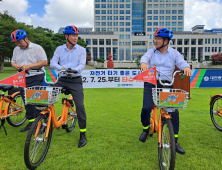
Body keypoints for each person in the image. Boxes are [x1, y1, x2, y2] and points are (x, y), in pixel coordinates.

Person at [139, 27, 192, 155]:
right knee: (146, 108)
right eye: (155, 38)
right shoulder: (151, 52)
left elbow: (181, 62)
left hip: (167, 84)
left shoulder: (174, 53)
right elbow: (144, 58)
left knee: (174, 112)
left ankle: (175, 141)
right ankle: (146, 129)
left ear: (166, 41)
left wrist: (185, 67)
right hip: (151, 83)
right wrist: (143, 64)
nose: (155, 41)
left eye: (158, 39)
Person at [50, 25, 87, 148]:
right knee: (48, 98)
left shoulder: (81, 50)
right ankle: (45, 122)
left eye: (77, 35)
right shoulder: (59, 49)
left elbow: (82, 64)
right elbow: (53, 62)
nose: (75, 38)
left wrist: (74, 70)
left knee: (80, 106)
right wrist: (62, 68)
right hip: (62, 79)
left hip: (76, 80)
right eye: (73, 35)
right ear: (67, 37)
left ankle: (83, 134)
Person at [10, 29, 48, 132]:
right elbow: (12, 62)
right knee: (26, 102)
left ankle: (42, 123)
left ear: (26, 38)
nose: (18, 44)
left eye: (20, 42)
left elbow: (44, 62)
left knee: (36, 101)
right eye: (16, 43)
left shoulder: (37, 48)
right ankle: (31, 123)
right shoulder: (16, 49)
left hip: (37, 76)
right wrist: (16, 66)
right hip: (22, 78)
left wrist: (29, 66)